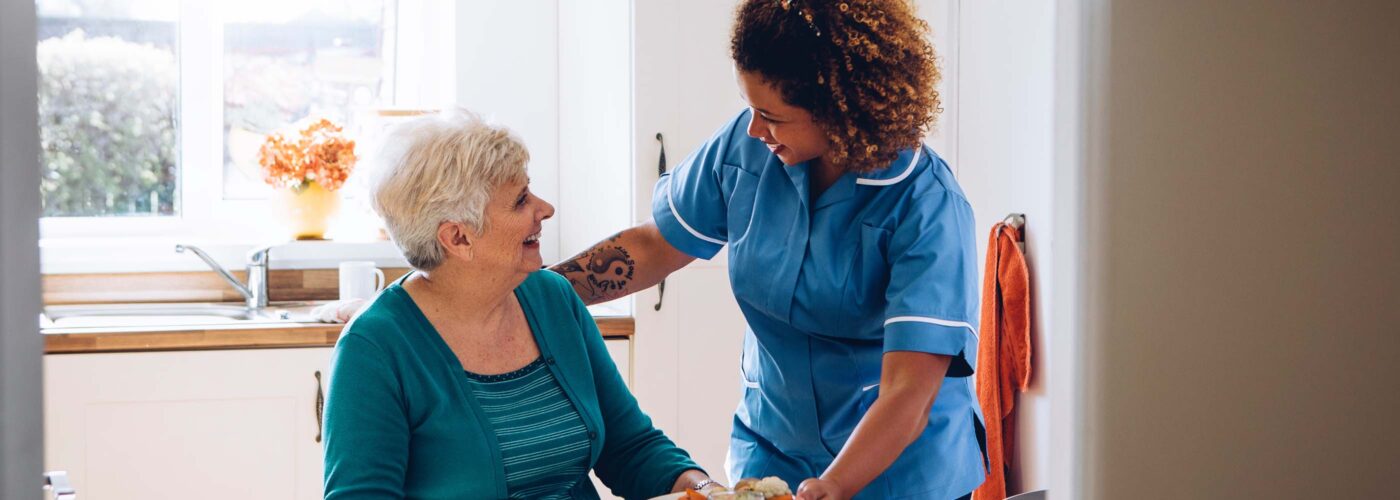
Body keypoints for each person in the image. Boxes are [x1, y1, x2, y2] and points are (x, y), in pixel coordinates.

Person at [550, 1, 986, 498]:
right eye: (750, 108)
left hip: (897, 472)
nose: (755, 129)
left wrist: (834, 485)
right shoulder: (748, 145)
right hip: (770, 450)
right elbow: (653, 245)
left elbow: (909, 391)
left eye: (772, 116)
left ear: (841, 112)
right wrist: (538, 292)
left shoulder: (926, 207)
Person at [322, 109, 720, 499]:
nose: (545, 209)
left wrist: (706, 491)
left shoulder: (553, 298)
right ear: (458, 238)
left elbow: (631, 448)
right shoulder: (374, 348)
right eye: (520, 200)